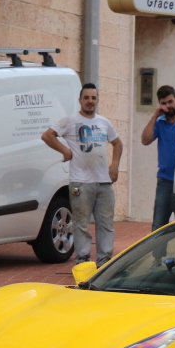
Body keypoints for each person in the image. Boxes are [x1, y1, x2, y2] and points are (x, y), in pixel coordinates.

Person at [42, 83, 123, 265]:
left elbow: (118, 143)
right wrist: (65, 151)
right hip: (80, 182)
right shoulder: (71, 121)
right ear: (80, 100)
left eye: (93, 98)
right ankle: (83, 260)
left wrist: (115, 165)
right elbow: (48, 135)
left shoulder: (103, 122)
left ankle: (104, 261)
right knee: (82, 224)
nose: (90, 101)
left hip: (103, 182)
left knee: (106, 224)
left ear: (98, 100)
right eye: (86, 98)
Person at [140, 85, 175, 230]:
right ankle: (158, 253)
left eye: (170, 102)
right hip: (165, 180)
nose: (168, 106)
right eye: (164, 103)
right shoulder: (159, 122)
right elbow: (145, 140)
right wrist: (154, 117)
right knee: (158, 224)